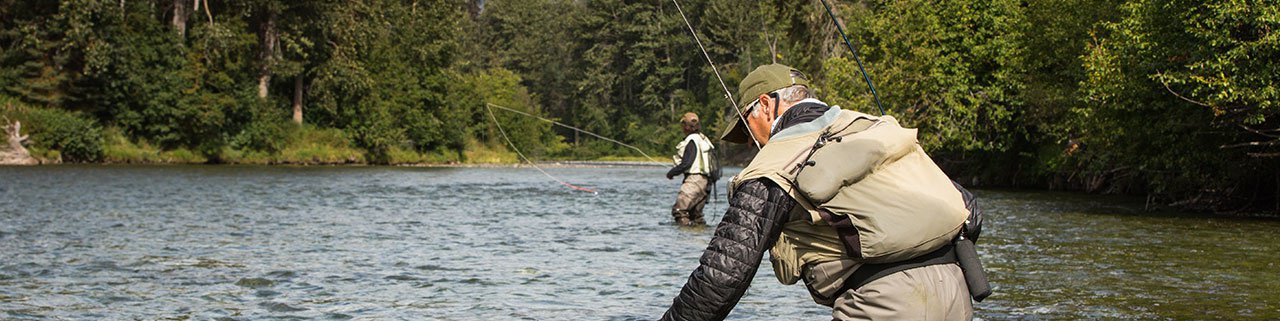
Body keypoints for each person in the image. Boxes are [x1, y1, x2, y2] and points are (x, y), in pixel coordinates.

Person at [658, 64, 984, 321]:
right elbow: (968, 209)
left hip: (882, 304)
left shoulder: (773, 167)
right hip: (956, 290)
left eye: (746, 127)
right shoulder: (874, 128)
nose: (748, 142)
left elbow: (723, 274)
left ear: (765, 105)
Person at [666, 112, 715, 226]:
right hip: (707, 182)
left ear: (686, 126)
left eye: (683, 125)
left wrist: (671, 173)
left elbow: (687, 163)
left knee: (679, 211)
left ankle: (683, 240)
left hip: (694, 180)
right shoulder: (704, 139)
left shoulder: (692, 140)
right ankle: (698, 237)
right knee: (695, 215)